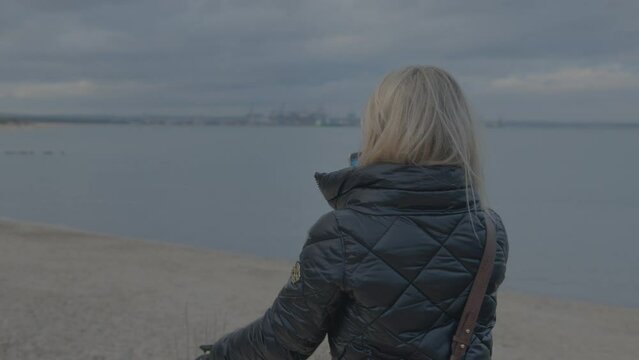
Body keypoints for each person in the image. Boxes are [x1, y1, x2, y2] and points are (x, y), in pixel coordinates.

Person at [196, 65, 509, 359]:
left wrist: (219, 353)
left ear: (381, 127)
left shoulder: (342, 233)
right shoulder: (490, 231)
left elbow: (282, 339)